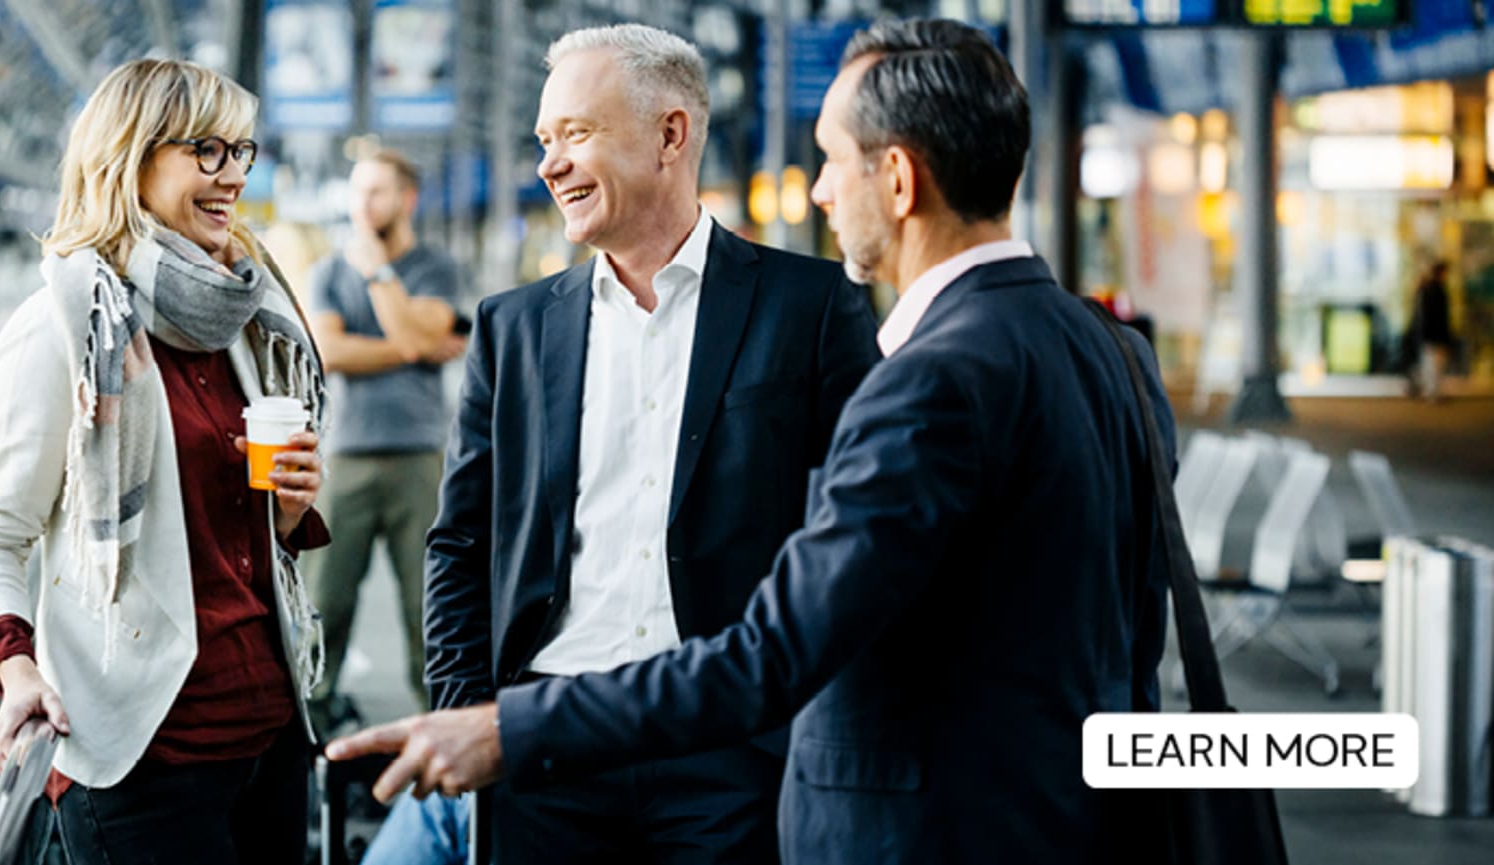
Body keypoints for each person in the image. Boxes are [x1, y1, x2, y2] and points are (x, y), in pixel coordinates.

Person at [329, 20, 1177, 865]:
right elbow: (1136, 630)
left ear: (897, 178)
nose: (816, 192)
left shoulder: (921, 376)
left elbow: (785, 643)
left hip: (898, 806)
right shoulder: (1118, 353)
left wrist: (503, 730)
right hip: (1075, 813)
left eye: (832, 161)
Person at [414, 23, 879, 865]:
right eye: (545, 140)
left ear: (671, 134)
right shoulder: (511, 328)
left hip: (731, 747)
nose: (550, 164)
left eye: (577, 134)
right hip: (542, 744)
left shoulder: (811, 308)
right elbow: (461, 540)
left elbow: (850, 540)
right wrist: (466, 708)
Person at [0, 58, 329, 864]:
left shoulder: (243, 317)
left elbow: (236, 536)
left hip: (270, 729)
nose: (233, 175)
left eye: (242, 151)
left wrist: (289, 513)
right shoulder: (64, 325)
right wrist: (14, 671)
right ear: (131, 156)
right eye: (207, 151)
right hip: (145, 756)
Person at [305, 149, 468, 729]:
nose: (362, 205)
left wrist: (377, 269)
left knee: (429, 603)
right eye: (357, 192)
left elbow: (408, 329)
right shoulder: (326, 271)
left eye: (376, 192)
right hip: (345, 456)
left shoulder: (437, 268)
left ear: (407, 199)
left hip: (421, 456)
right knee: (327, 601)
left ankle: (442, 725)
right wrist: (413, 347)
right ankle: (315, 724)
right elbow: (328, 351)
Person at [1410, 259, 1454, 401]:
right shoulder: (1436, 290)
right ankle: (1432, 393)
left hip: (1427, 334)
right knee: (1434, 364)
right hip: (1434, 334)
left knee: (1429, 363)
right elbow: (1438, 316)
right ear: (1441, 273)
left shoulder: (1427, 289)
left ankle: (1429, 391)